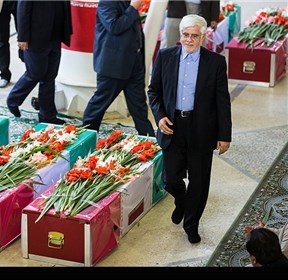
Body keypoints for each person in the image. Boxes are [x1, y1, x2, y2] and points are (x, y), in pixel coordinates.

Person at [148, 14, 232, 244]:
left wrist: (224, 135)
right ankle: (181, 201)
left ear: (203, 36)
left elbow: (222, 100)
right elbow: (153, 91)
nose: (189, 39)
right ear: (180, 34)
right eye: (185, 34)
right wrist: (160, 117)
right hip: (172, 126)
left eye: (195, 36)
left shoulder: (215, 62)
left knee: (199, 180)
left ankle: (191, 224)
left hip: (201, 129)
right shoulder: (165, 57)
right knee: (169, 179)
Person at [82, 0, 155, 137]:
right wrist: (133, 8)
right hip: (113, 64)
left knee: (139, 107)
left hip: (135, 62)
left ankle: (149, 140)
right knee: (99, 105)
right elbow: (114, 27)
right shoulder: (107, 2)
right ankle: (86, 138)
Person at [6, 0, 72, 124]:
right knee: (35, 73)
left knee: (49, 77)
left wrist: (67, 30)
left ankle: (48, 116)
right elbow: (22, 9)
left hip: (56, 35)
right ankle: (13, 99)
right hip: (35, 37)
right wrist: (23, 37)